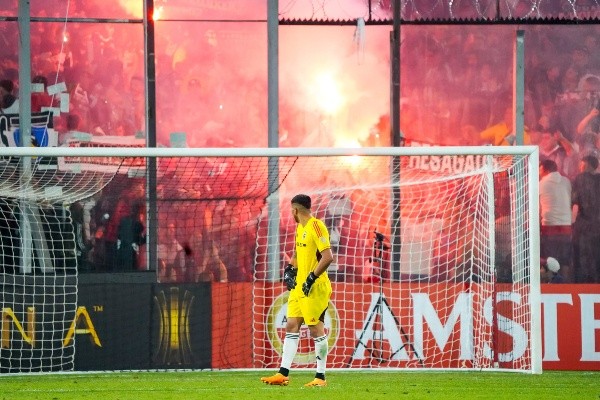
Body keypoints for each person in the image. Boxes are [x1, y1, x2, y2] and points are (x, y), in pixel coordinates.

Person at [261, 194, 335, 388]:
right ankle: (283, 374)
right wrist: (289, 269)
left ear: (295, 210)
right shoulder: (300, 228)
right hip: (299, 287)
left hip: (315, 287)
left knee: (315, 329)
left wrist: (311, 277)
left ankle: (320, 377)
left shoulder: (316, 226)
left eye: (291, 210)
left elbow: (328, 257)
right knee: (291, 325)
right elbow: (297, 253)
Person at [539, 159, 573, 282]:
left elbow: (537, 207)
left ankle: (552, 287)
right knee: (565, 260)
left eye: (540, 170)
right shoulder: (567, 181)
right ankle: (565, 286)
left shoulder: (541, 184)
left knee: (550, 260)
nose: (539, 173)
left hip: (549, 226)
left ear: (545, 169)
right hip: (566, 226)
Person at [571, 155, 600, 283]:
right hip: (597, 225)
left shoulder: (580, 179)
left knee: (583, 258)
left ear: (587, 165)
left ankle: (585, 285)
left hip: (584, 226)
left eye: (582, 164)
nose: (580, 167)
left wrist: (572, 222)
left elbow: (575, 202)